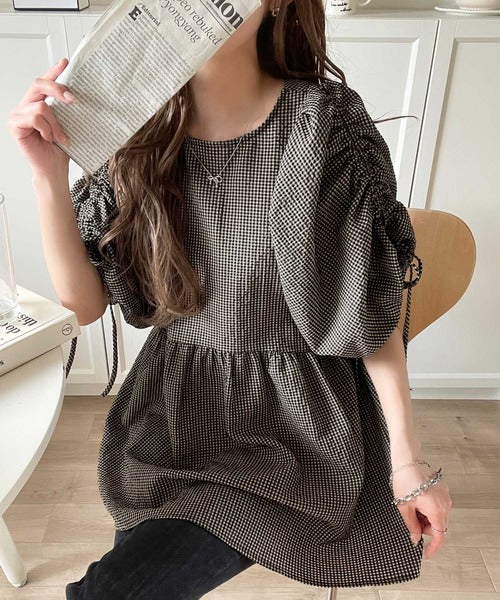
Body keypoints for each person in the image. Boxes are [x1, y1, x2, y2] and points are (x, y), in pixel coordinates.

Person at [8, 0, 453, 597]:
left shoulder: (321, 123)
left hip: (296, 428)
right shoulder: (134, 130)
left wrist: (407, 460)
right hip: (173, 413)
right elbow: (84, 305)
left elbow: (369, 304)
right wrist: (46, 175)